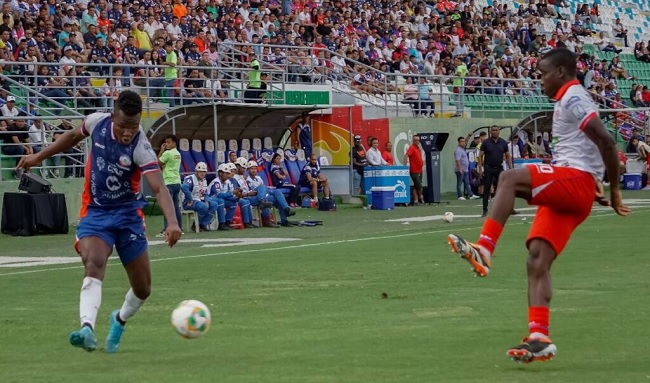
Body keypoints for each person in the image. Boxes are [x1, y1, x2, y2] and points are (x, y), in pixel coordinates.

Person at [447, 48, 630, 364]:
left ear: (560, 72)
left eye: (543, 73)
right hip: (578, 187)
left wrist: (612, 188)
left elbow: (607, 141)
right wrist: (596, 180)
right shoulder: (567, 99)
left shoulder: (573, 95)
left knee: (508, 179)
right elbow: (592, 146)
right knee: (536, 261)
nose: (540, 79)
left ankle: (485, 249)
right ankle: (539, 337)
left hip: (576, 182)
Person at [16, 90, 182, 353]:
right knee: (94, 262)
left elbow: (159, 188)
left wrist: (172, 222)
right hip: (96, 212)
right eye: (123, 125)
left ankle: (119, 319)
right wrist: (39, 157)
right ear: (112, 115)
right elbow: (71, 136)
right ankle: (87, 328)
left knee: (143, 289)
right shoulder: (96, 123)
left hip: (128, 217)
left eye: (134, 126)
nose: (128, 132)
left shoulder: (141, 147)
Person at [478, 126, 512, 217]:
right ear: (490, 132)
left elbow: (508, 155)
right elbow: (480, 156)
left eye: (496, 130)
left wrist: (511, 168)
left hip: (499, 168)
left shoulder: (503, 142)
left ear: (499, 132)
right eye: (493, 130)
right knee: (486, 189)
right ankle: (485, 210)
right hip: (488, 168)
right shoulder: (486, 142)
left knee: (501, 189)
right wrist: (480, 169)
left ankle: (503, 209)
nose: (494, 132)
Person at [181, 162, 220, 232]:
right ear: (196, 171)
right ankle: (196, 225)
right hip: (188, 202)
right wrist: (190, 198)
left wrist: (207, 200)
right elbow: (184, 187)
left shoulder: (204, 181)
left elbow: (205, 194)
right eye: (200, 171)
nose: (202, 173)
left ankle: (203, 224)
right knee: (203, 206)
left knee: (214, 204)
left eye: (204, 172)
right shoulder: (190, 178)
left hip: (199, 200)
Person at [157, 134, 182, 237]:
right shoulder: (178, 153)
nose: (166, 144)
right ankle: (179, 228)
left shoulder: (167, 153)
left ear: (174, 143)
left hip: (169, 182)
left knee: (167, 207)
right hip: (177, 182)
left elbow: (157, 163)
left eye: (168, 142)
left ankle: (166, 229)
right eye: (165, 142)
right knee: (176, 206)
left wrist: (161, 150)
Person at [454, 136, 479, 201]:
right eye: (462, 141)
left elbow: (466, 141)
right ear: (459, 142)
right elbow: (458, 160)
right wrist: (460, 169)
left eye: (464, 141)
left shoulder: (462, 149)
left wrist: (469, 135)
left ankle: (471, 195)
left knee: (467, 183)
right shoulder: (458, 150)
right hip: (461, 170)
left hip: (465, 170)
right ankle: (460, 196)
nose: (463, 143)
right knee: (459, 183)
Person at [404, 134, 424, 205]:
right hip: (414, 171)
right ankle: (420, 197)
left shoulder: (418, 148)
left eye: (418, 140)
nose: (417, 141)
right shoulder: (411, 148)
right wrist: (405, 165)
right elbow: (406, 155)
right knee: (419, 186)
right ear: (413, 140)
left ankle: (416, 200)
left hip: (420, 170)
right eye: (415, 140)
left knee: (416, 186)